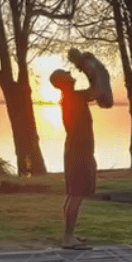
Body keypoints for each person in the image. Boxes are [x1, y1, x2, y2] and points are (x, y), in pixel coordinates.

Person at [50, 68, 98, 249]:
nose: (72, 75)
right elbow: (96, 91)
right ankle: (68, 237)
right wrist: (89, 67)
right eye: (68, 74)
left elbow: (93, 93)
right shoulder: (74, 97)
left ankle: (69, 234)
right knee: (76, 194)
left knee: (72, 194)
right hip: (79, 152)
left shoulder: (72, 97)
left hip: (75, 151)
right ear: (63, 81)